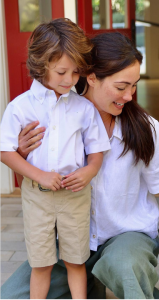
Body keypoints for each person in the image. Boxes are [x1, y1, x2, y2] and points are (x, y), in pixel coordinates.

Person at [1, 32, 159, 300]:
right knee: (11, 296)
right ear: (92, 77)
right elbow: (33, 182)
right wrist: (22, 155)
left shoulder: (145, 128)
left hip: (125, 238)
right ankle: (97, 285)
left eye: (134, 86)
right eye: (121, 87)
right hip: (71, 243)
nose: (130, 96)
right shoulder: (51, 117)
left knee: (123, 265)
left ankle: (120, 280)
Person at [0, 19, 110, 300]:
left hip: (75, 196)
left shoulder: (83, 108)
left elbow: (96, 150)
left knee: (75, 260)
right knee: (42, 263)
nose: (70, 80)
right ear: (41, 64)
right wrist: (39, 175)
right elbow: (5, 152)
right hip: (37, 197)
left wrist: (90, 170)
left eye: (75, 72)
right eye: (62, 71)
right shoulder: (20, 107)